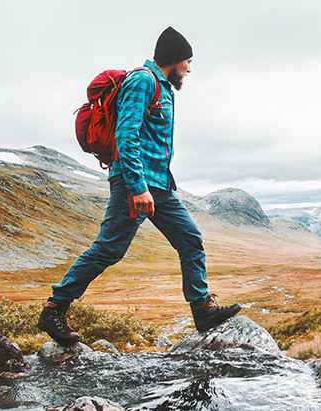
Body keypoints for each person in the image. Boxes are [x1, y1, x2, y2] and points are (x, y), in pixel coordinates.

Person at [38, 27, 241, 345]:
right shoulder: (143, 81)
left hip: (159, 185)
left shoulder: (164, 88)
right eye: (188, 61)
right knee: (109, 248)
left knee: (190, 239)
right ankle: (54, 309)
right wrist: (137, 187)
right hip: (135, 182)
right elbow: (125, 135)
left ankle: (202, 310)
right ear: (174, 60)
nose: (190, 68)